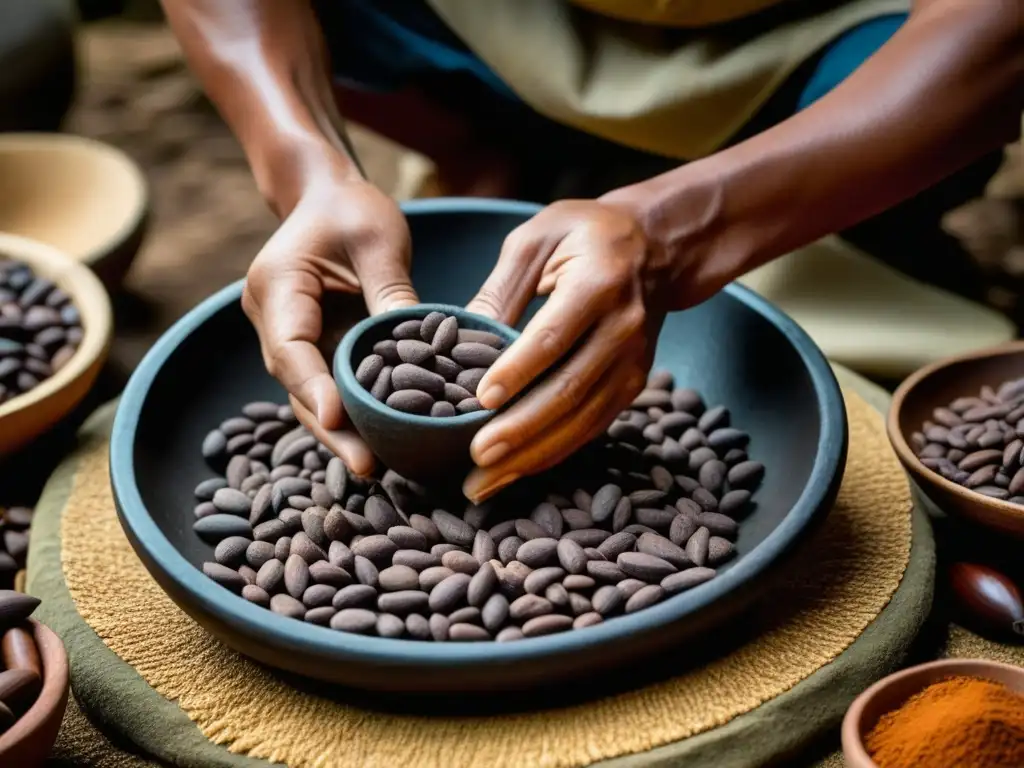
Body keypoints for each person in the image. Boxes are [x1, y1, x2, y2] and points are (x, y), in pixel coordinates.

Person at [161, 0, 1022, 502]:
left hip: (834, 28)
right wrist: (305, 163)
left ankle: (821, 201)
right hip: (504, 23)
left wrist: (675, 237)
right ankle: (494, 154)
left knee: (937, 119)